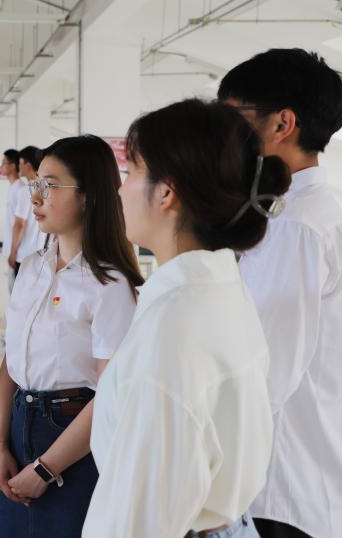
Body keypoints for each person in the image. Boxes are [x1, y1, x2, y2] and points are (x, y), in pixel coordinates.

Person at [82, 99, 292, 538]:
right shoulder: (219, 285)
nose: (120, 190)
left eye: (132, 172)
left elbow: (139, 520)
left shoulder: (173, 329)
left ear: (166, 192)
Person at [218, 49, 342, 538]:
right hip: (288, 483)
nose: (223, 134)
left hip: (285, 489)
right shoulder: (287, 214)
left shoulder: (297, 226)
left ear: (282, 123)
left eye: (233, 118)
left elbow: (264, 375)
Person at [0, 136, 143, 538]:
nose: (36, 197)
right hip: (18, 425)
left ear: (87, 196)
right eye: (36, 184)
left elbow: (110, 394)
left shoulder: (110, 283)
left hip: (72, 438)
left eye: (50, 186)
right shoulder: (32, 268)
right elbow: (11, 361)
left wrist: (46, 468)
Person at [8, 146, 43, 276]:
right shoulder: (47, 188)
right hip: (43, 254)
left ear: (28, 165)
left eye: (20, 163)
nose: (19, 167)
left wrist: (13, 252)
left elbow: (20, 224)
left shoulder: (25, 190)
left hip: (25, 255)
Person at [0, 149, 27, 293]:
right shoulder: (13, 188)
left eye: (3, 162)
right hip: (13, 248)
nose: (1, 166)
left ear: (12, 166)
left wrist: (14, 252)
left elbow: (20, 224)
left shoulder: (20, 189)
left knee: (16, 290)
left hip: (18, 251)